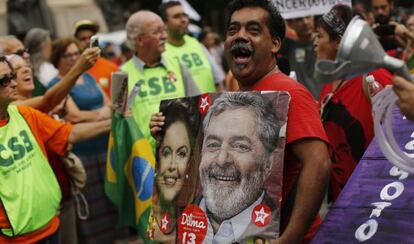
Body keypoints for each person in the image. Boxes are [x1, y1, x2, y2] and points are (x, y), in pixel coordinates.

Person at [152, 0, 331, 242]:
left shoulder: (290, 92)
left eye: (253, 30)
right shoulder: (236, 96)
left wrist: (290, 238)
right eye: (233, 30)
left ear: (275, 44)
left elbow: (318, 163)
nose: (240, 36)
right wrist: (166, 134)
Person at [0, 55, 111, 243]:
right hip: (15, 238)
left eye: (11, 76)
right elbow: (48, 101)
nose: (12, 83)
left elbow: (71, 133)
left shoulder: (24, 113)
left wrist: (116, 122)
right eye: (3, 80)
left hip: (51, 224)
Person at [47, 37, 123, 243]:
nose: (73, 58)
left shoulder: (89, 78)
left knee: (109, 199)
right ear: (57, 59)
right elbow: (74, 116)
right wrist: (102, 114)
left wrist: (96, 113)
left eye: (75, 53)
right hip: (83, 152)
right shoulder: (57, 84)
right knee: (91, 204)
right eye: (67, 55)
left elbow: (111, 105)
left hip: (104, 148)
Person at [314, 4, 392, 201]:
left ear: (339, 42)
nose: (314, 43)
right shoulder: (330, 82)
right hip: (340, 200)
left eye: (320, 36)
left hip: (374, 199)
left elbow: (400, 134)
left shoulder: (374, 77)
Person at [199, 92, 283, 242]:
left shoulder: (283, 229)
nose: (221, 159)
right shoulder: (173, 218)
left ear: (268, 164)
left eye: (240, 146)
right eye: (213, 144)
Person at [123, 10, 199, 149]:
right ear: (139, 40)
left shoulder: (178, 65)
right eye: (157, 32)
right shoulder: (122, 75)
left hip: (183, 155)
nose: (164, 35)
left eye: (164, 30)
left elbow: (198, 105)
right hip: (144, 163)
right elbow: (120, 127)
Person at [148, 99, 199, 243]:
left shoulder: (207, 220)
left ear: (192, 161)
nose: (171, 165)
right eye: (166, 152)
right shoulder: (156, 220)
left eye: (181, 154)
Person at [159, 1, 224, 92]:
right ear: (164, 23)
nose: (183, 20)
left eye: (185, 15)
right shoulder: (161, 52)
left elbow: (218, 80)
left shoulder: (196, 43)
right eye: (177, 16)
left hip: (212, 105)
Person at [73, 19, 119, 97]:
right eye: (83, 39)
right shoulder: (71, 69)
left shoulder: (111, 67)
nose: (88, 41)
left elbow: (120, 99)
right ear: (76, 41)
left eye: (91, 38)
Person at [280, 16, 322, 98]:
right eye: (299, 19)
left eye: (308, 17)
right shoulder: (288, 46)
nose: (305, 22)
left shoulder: (325, 41)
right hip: (302, 100)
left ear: (313, 18)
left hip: (324, 101)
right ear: (290, 24)